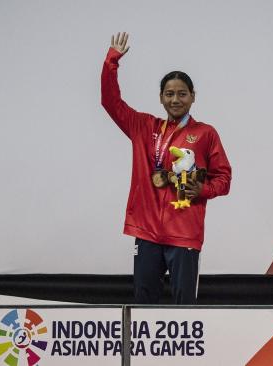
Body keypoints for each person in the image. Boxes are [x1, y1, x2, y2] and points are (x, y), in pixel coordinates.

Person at [101, 32, 232, 304]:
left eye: (182, 94)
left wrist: (203, 189)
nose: (175, 100)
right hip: (147, 232)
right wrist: (112, 61)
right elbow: (110, 102)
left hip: (184, 232)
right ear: (160, 98)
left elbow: (224, 178)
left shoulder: (206, 133)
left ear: (193, 97)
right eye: (169, 94)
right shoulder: (143, 127)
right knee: (144, 307)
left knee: (184, 309)